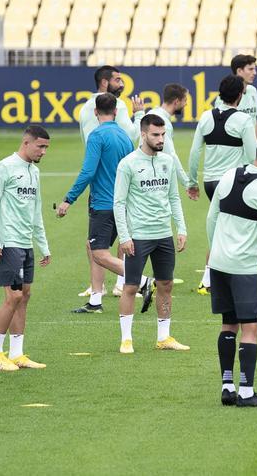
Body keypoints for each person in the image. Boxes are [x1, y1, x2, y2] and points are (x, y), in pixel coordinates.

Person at [207, 136, 257, 408]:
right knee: (251, 329)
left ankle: (227, 386)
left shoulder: (229, 175)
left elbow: (211, 218)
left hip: (218, 264)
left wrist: (214, 251)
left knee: (228, 324)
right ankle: (246, 392)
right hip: (245, 268)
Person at [113, 114, 191, 353]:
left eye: (163, 134)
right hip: (138, 235)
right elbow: (119, 203)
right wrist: (125, 236)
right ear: (143, 134)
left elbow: (174, 197)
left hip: (163, 235)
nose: (161, 139)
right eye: (156, 135)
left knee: (165, 283)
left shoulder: (167, 161)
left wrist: (182, 228)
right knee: (130, 286)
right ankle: (126, 339)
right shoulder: (128, 164)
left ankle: (164, 337)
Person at [58, 94, 142, 314]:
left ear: (95, 112)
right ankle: (95, 300)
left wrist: (69, 199)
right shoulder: (125, 137)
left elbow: (88, 171)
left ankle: (142, 280)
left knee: (98, 253)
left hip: (103, 204)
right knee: (93, 246)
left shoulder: (96, 136)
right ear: (116, 112)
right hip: (121, 203)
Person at [0, 126, 53, 372]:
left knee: (24, 296)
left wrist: (43, 246)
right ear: (26, 143)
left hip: (25, 243)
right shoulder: (5, 167)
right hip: (7, 242)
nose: (43, 152)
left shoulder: (34, 172)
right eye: (40, 146)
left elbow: (36, 212)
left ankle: (17, 353)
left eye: (46, 148)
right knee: (12, 297)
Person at [188, 75, 257, 295]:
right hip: (230, 183)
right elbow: (252, 154)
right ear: (240, 95)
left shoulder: (206, 117)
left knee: (220, 228)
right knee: (235, 231)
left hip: (210, 182)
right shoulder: (243, 120)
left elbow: (194, 152)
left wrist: (192, 182)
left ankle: (210, 279)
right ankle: (218, 279)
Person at [76, 65, 138, 300]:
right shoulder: (118, 105)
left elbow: (88, 145)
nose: (122, 84)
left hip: (97, 181)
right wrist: (139, 114)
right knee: (123, 234)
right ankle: (126, 282)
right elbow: (130, 135)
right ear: (104, 82)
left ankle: (96, 290)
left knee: (95, 240)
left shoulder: (85, 109)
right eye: (117, 80)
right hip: (117, 179)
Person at [142, 83, 192, 189]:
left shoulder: (152, 113)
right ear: (176, 102)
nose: (186, 104)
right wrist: (187, 183)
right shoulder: (163, 122)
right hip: (154, 177)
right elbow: (171, 154)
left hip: (144, 172)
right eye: (185, 101)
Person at [215, 54, 257, 140]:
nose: (255, 73)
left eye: (255, 69)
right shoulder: (223, 97)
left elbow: (254, 121)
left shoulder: (253, 91)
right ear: (239, 71)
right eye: (250, 69)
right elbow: (219, 126)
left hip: (250, 148)